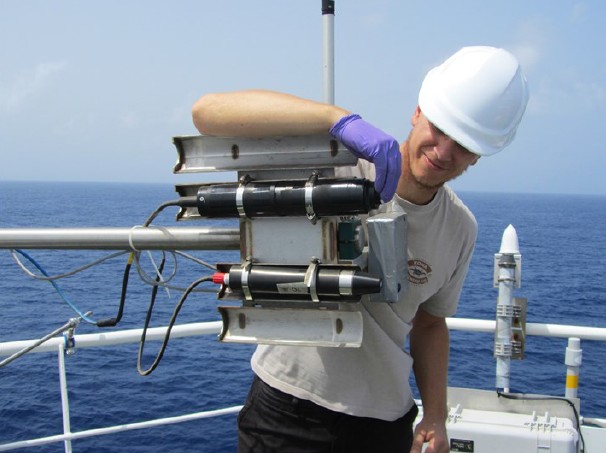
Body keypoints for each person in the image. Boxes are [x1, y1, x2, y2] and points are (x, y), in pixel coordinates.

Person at [191, 46, 529, 453]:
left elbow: (430, 324)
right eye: (438, 128)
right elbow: (207, 113)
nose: (443, 152)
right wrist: (337, 119)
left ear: (477, 157)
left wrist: (436, 415)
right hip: (286, 408)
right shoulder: (335, 168)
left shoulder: (459, 228)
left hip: (383, 424)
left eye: (463, 145)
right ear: (418, 112)